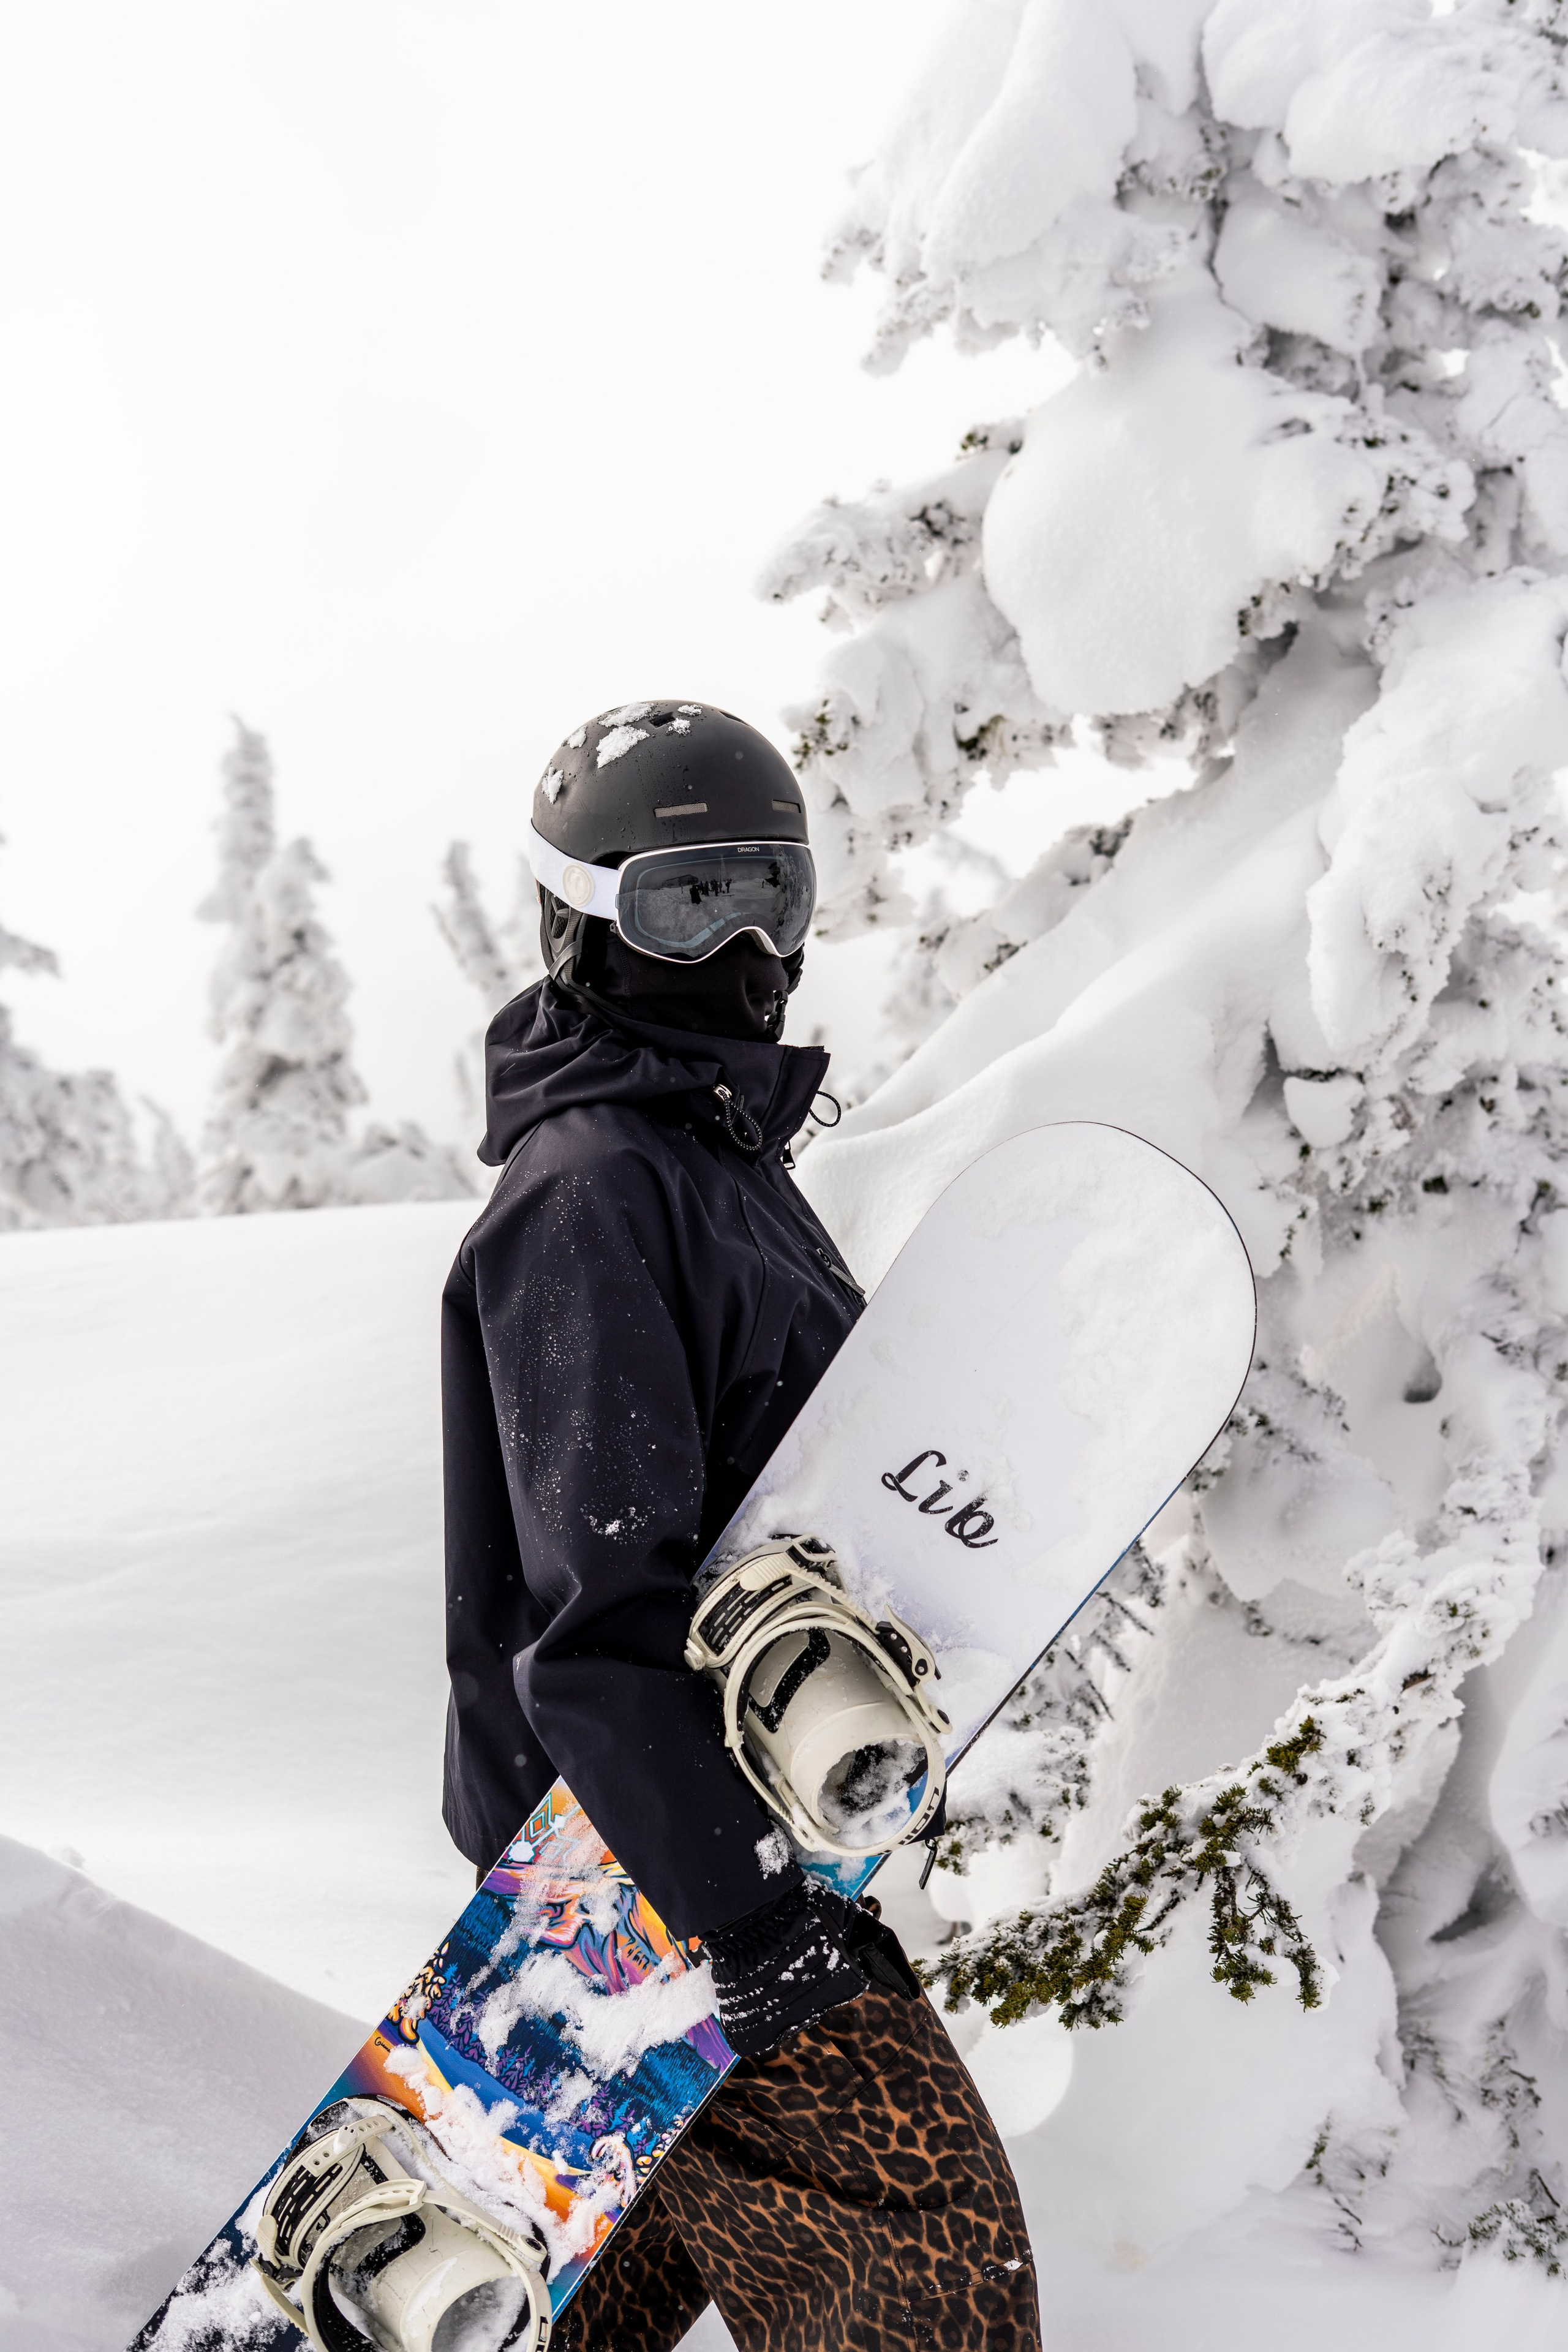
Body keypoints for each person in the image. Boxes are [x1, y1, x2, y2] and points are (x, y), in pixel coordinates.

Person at [441, 701, 1040, 2352]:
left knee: (606, 2298)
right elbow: (591, 1612)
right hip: (657, 1875)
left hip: (707, 1850)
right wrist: (747, 1910)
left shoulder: (708, 1160)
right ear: (580, 918)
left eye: (774, 889)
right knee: (930, 2277)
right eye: (686, 900)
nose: (749, 944)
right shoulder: (596, 1189)